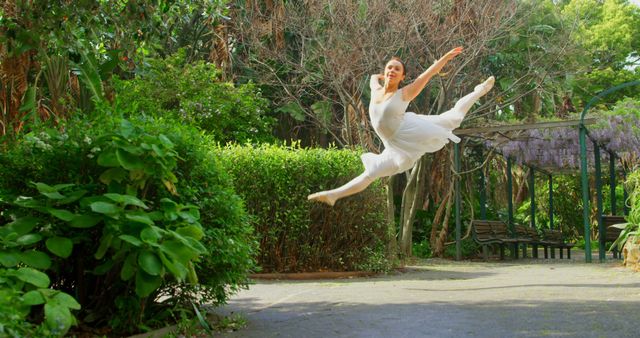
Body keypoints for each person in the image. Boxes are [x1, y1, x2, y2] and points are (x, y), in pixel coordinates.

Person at [308, 47, 494, 206]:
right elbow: (373, 77)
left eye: (397, 69)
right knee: (371, 173)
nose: (392, 71)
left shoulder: (405, 93)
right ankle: (333, 195)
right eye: (389, 68)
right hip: (393, 146)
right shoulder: (375, 89)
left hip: (409, 130)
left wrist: (445, 58)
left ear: (402, 76)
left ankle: (480, 91)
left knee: (453, 118)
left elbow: (427, 75)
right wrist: (380, 74)